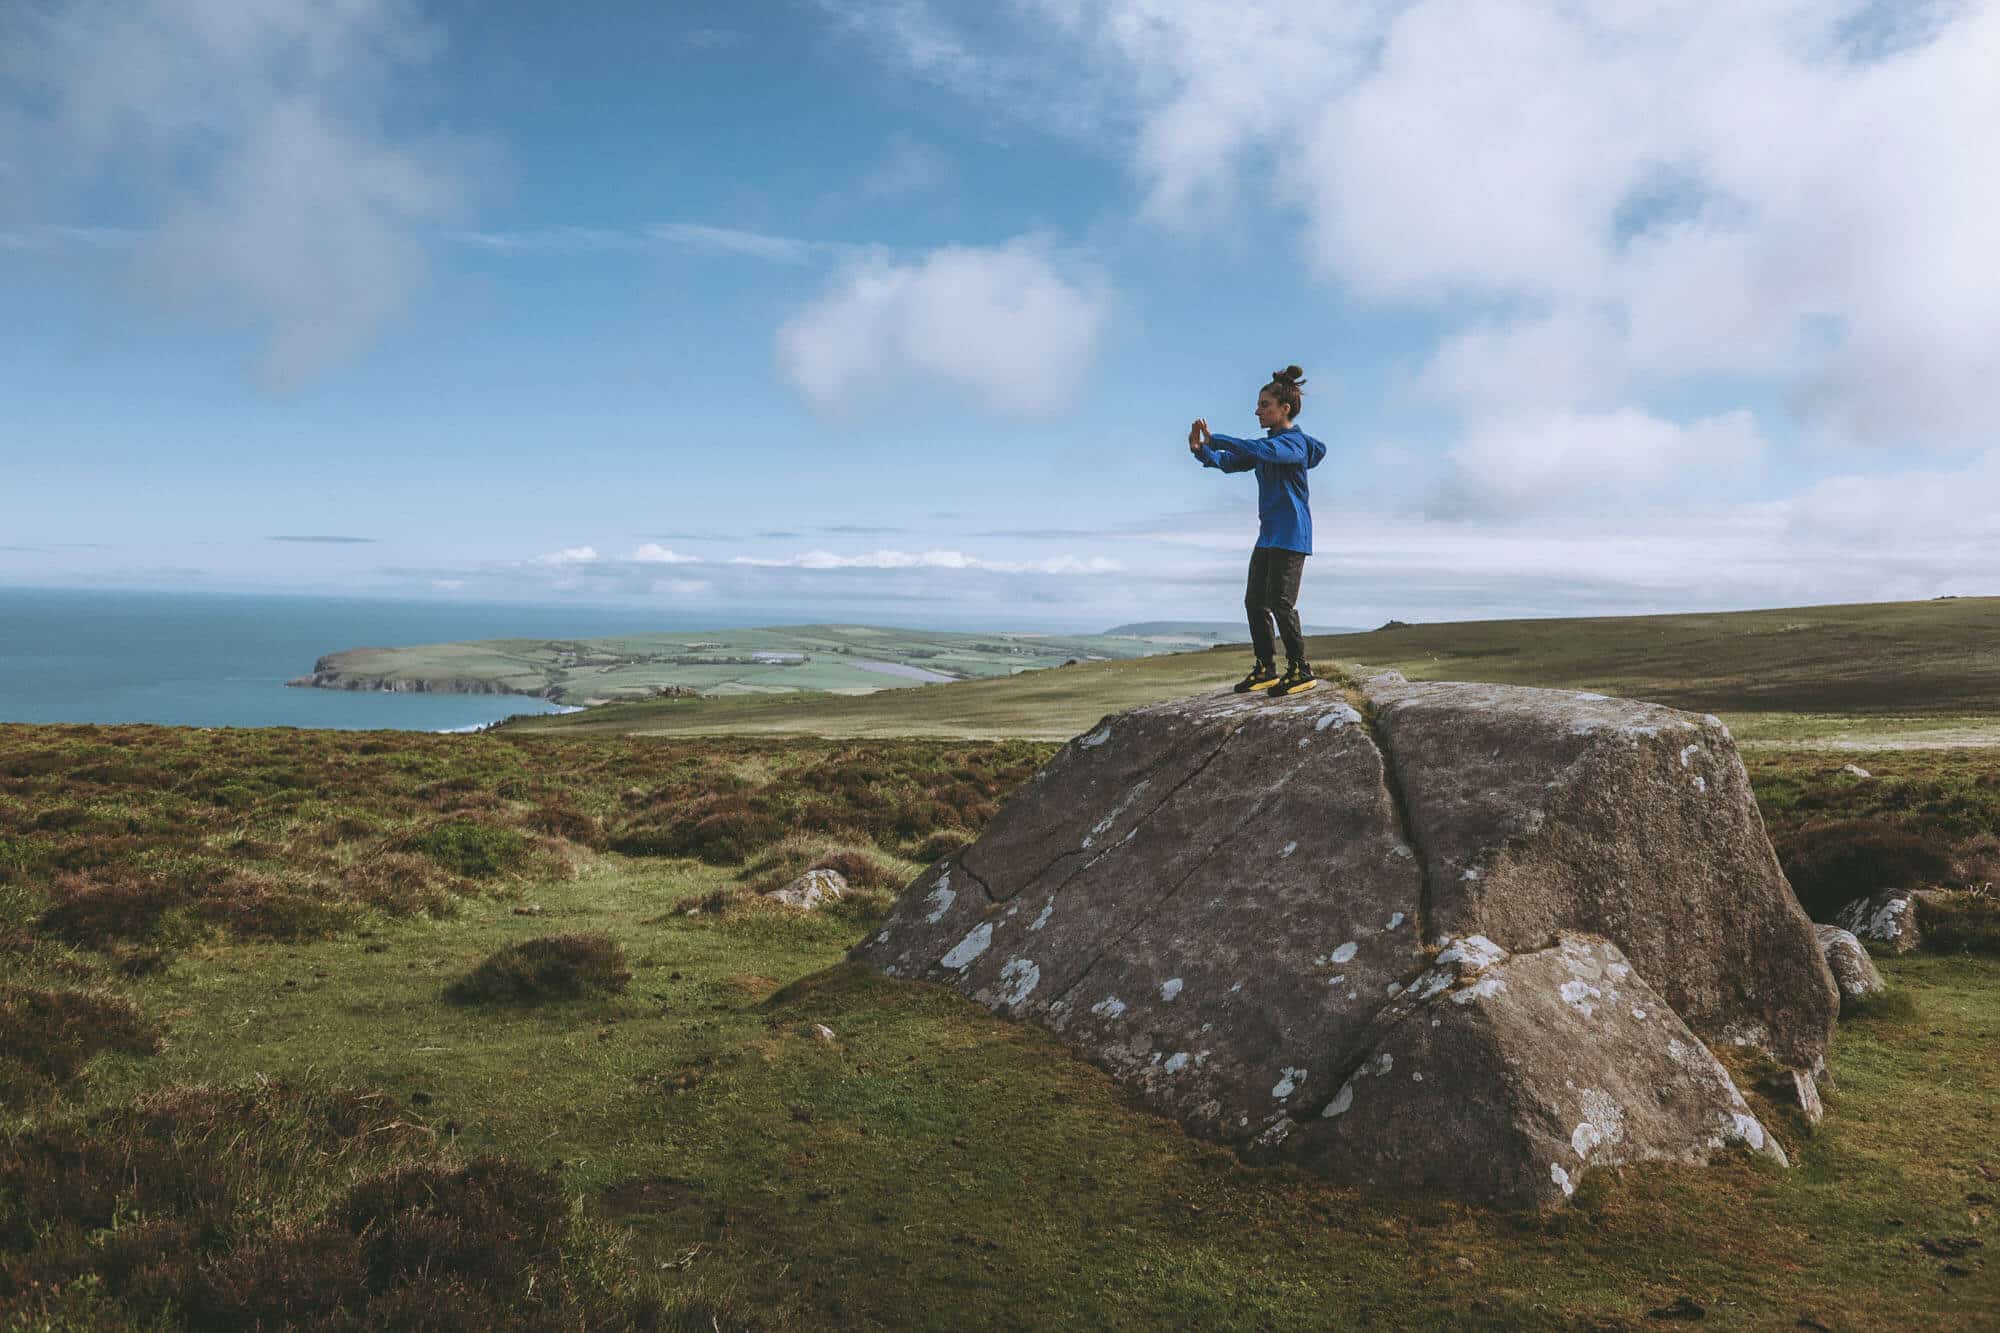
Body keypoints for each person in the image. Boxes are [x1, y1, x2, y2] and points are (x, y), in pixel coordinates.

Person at [1188, 365, 1327, 696]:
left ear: (1285, 409)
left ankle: (1301, 669)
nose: (1257, 410)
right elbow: (1230, 462)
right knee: (1255, 603)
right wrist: (1200, 450)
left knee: (1281, 603)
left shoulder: (1293, 444)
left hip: (1291, 535)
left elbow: (1259, 451)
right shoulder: (1268, 449)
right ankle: (1266, 668)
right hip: (1268, 536)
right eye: (1259, 404)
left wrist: (1218, 438)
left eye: (1264, 405)